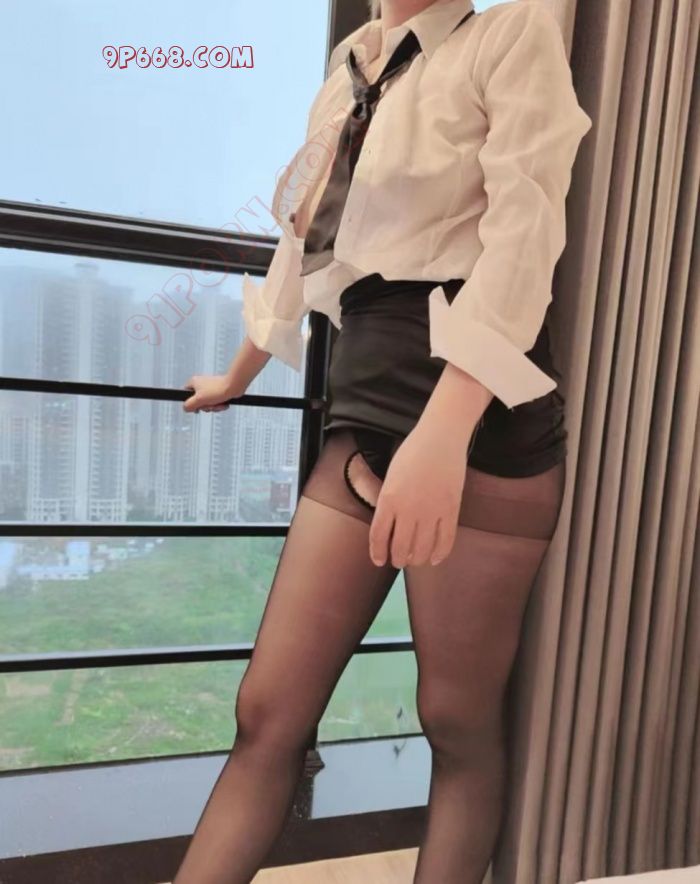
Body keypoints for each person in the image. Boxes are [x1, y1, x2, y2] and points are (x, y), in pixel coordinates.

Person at [175, 0, 592, 881]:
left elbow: (525, 239)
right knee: (268, 712)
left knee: (456, 719)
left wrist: (445, 432)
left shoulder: (508, 36)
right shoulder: (349, 72)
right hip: (365, 389)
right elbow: (302, 241)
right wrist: (241, 372)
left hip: (482, 405)